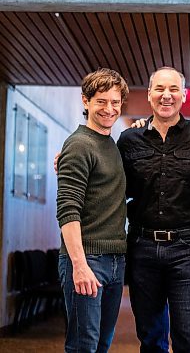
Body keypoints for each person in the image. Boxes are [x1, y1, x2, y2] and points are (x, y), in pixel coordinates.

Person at [117, 66, 190, 353]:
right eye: (159, 89)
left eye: (173, 89)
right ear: (149, 95)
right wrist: (72, 160)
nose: (166, 95)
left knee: (188, 335)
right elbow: (109, 181)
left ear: (183, 95)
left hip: (188, 248)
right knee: (150, 336)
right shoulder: (128, 140)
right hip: (142, 246)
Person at [56, 68, 129, 353]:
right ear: (86, 101)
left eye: (114, 102)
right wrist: (79, 264)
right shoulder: (78, 145)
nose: (109, 109)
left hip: (113, 260)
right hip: (87, 260)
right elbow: (67, 210)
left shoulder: (110, 145)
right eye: (101, 101)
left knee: (100, 345)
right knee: (82, 347)